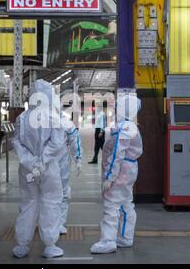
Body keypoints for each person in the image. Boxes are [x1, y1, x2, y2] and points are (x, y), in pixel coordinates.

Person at [11, 79, 66, 259]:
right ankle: (50, 245)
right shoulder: (54, 117)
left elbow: (16, 142)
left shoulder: (22, 118)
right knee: (50, 202)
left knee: (28, 203)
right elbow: (57, 144)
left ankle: (22, 245)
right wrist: (42, 162)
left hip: (27, 170)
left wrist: (31, 162)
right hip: (48, 169)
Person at [90, 94, 143, 254]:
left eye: (118, 106)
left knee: (111, 204)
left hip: (121, 171)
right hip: (128, 169)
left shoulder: (125, 127)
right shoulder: (129, 126)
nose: (115, 109)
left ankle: (108, 240)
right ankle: (126, 238)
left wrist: (109, 177)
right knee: (126, 203)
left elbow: (117, 154)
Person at [57, 114, 83, 235]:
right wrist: (78, 160)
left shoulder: (39, 120)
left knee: (48, 194)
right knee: (62, 193)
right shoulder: (66, 123)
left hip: (46, 164)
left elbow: (74, 141)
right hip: (60, 164)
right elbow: (75, 141)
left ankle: (53, 222)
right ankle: (58, 223)